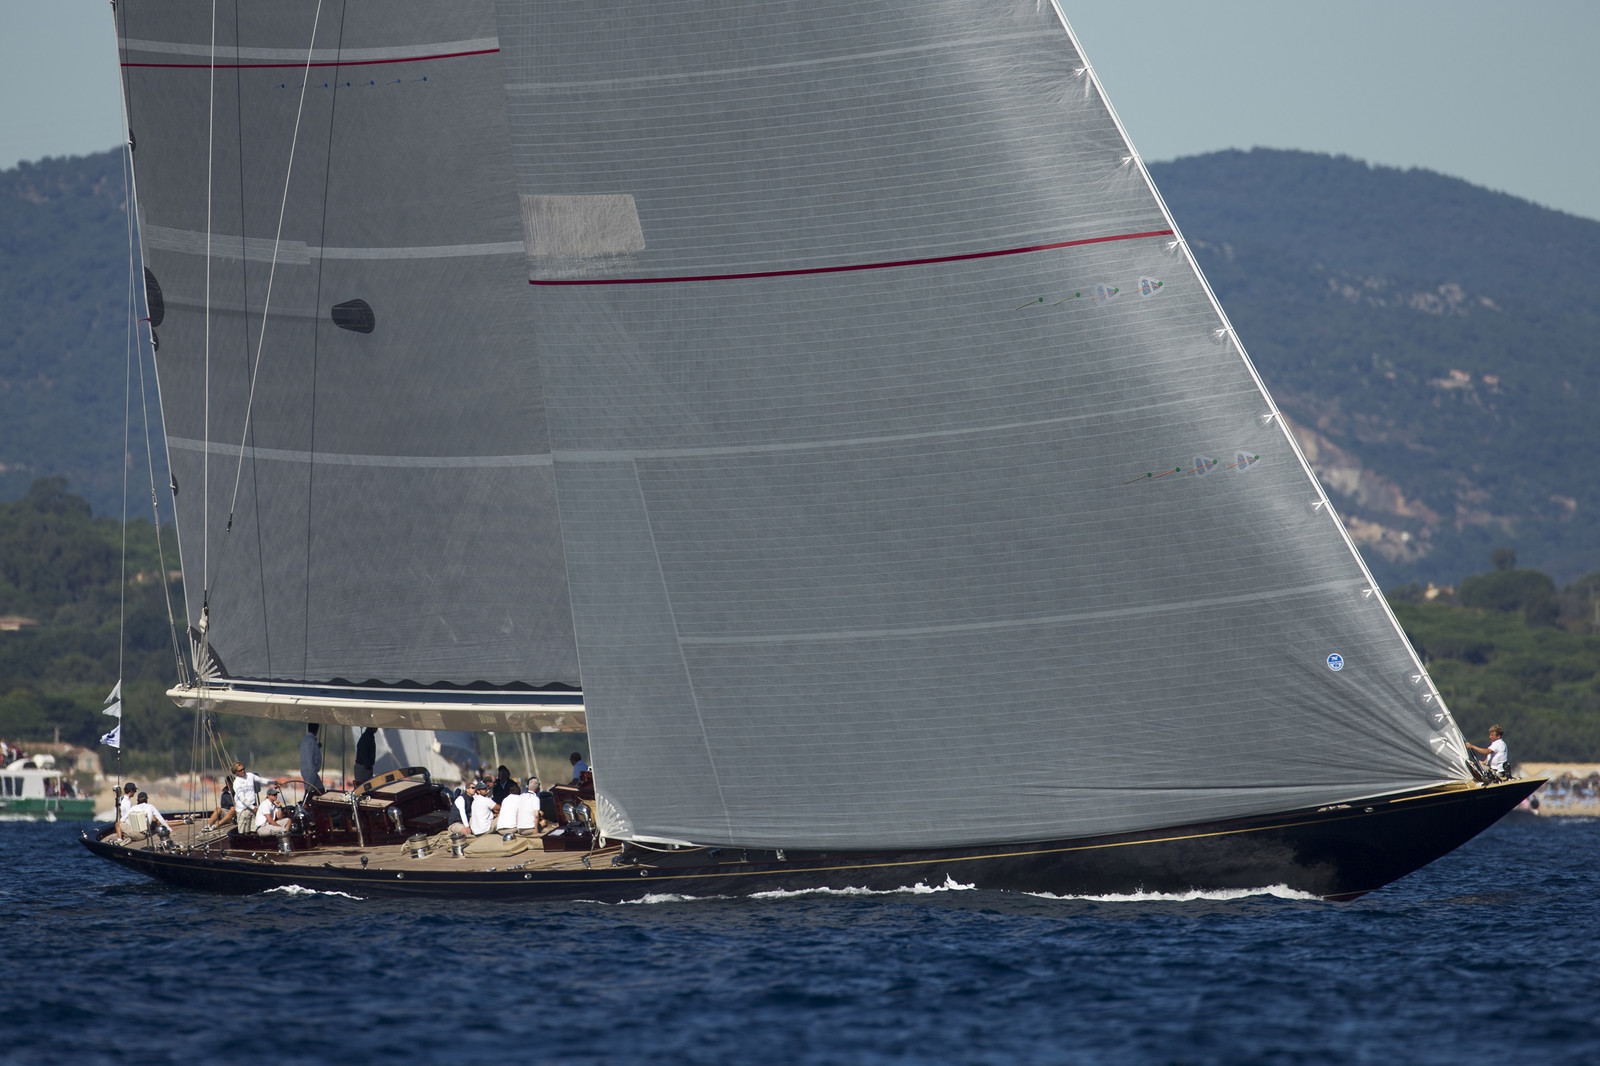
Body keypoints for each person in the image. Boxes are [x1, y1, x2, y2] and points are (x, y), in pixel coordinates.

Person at [230, 761, 273, 835]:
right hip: (243, 810)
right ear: (235, 772)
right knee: (243, 832)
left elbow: (261, 780)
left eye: (243, 769)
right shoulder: (237, 783)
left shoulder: (250, 775)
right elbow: (242, 798)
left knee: (254, 830)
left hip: (253, 807)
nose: (243, 771)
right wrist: (253, 808)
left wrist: (273, 782)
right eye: (240, 770)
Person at [299, 724, 325, 796]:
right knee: (309, 791)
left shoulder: (306, 740)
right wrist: (312, 770)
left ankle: (313, 802)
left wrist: (317, 747)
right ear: (316, 730)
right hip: (310, 771)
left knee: (320, 790)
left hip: (309, 770)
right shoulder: (311, 741)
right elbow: (310, 757)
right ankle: (305, 804)